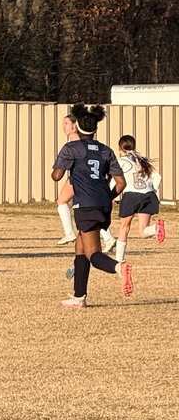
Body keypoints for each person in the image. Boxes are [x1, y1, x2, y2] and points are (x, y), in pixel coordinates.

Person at [51, 103, 132, 308]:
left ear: (77, 127)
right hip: (103, 205)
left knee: (93, 253)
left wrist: (61, 168)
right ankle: (80, 296)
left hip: (85, 206)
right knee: (80, 248)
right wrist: (107, 196)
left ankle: (119, 267)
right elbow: (121, 183)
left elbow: (57, 175)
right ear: (95, 129)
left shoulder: (72, 148)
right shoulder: (105, 150)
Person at [56, 112, 116, 252]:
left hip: (83, 178)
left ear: (75, 125)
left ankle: (70, 233)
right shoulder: (73, 142)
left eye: (66, 123)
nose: (63, 126)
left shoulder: (77, 143)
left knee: (63, 201)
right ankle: (107, 238)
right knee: (70, 204)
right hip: (83, 179)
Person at [114, 134, 165, 264]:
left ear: (120, 148)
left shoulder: (121, 162)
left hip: (132, 195)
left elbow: (116, 180)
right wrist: (152, 190)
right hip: (148, 195)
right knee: (143, 232)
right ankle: (156, 228)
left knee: (124, 227)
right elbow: (157, 177)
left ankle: (119, 260)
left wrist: (111, 195)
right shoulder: (142, 160)